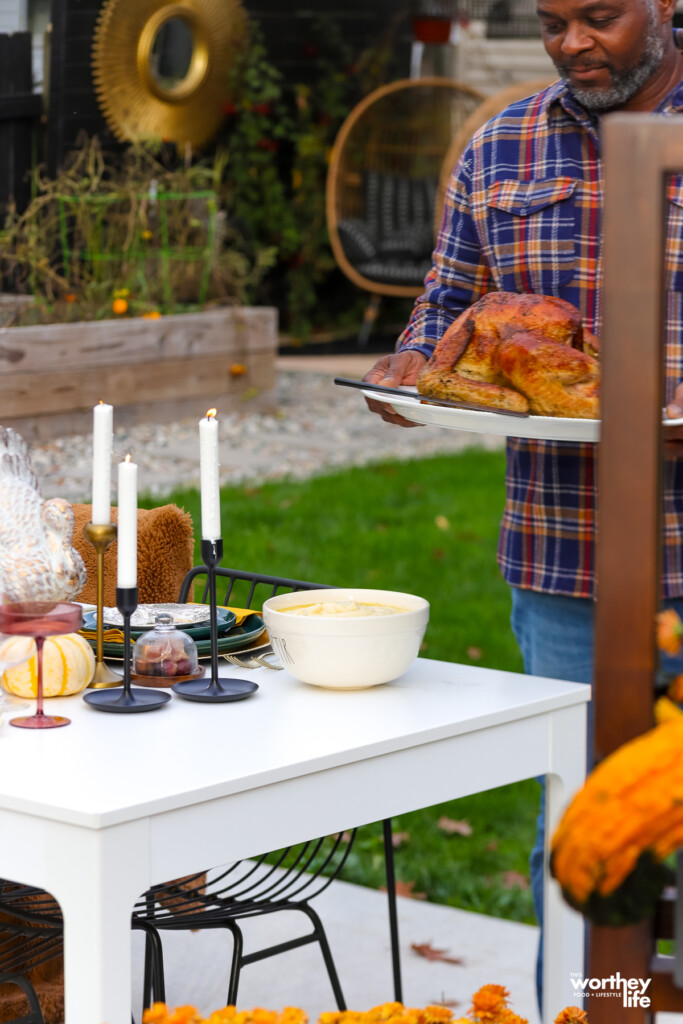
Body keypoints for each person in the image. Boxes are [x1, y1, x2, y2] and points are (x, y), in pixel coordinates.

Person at [363, 0, 683, 1013]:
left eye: (599, 16)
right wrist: (413, 362)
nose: (572, 43)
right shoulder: (502, 142)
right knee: (590, 859)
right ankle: (609, 1008)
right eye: (551, 22)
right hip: (566, 560)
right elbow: (447, 295)